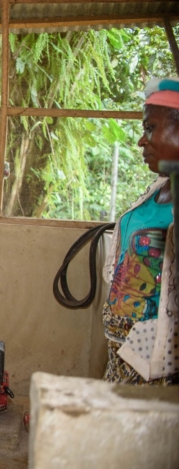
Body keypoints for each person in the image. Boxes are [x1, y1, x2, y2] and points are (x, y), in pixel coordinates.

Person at [102, 77, 179, 385]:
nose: (141, 141)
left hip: (155, 361)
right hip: (123, 350)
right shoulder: (159, 190)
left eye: (150, 128)